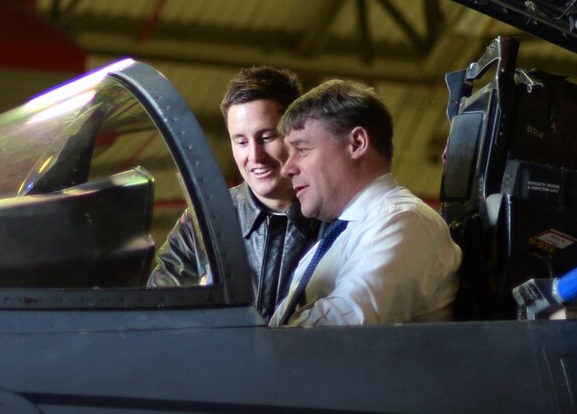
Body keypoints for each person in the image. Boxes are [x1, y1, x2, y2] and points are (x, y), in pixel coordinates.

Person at [268, 79, 459, 327]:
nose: (287, 169)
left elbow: (341, 331)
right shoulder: (338, 236)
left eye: (302, 149)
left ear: (356, 143)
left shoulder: (404, 222)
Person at [149, 67, 321, 321]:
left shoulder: (335, 217)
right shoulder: (203, 222)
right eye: (241, 142)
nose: (254, 156)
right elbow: (157, 311)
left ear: (297, 134)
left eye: (266, 137)